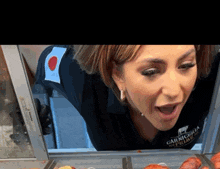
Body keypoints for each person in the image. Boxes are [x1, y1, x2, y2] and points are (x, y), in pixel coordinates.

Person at [32, 45, 220, 151]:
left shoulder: (210, 75)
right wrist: (23, 108)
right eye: (151, 71)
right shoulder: (80, 78)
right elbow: (37, 56)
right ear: (117, 75)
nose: (173, 91)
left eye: (186, 65)